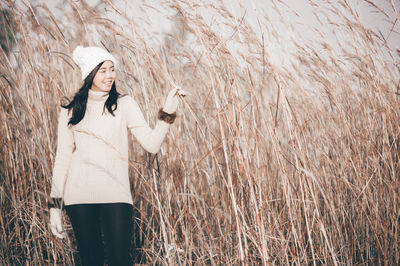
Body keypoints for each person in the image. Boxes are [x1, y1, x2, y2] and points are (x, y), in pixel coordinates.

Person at [48, 46, 185, 266]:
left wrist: (168, 113)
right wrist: (55, 207)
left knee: (121, 260)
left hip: (117, 194)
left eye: (112, 69)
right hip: (79, 195)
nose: (110, 75)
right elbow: (62, 159)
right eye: (103, 70)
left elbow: (151, 144)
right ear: (90, 73)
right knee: (91, 261)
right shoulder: (70, 110)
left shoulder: (124, 104)